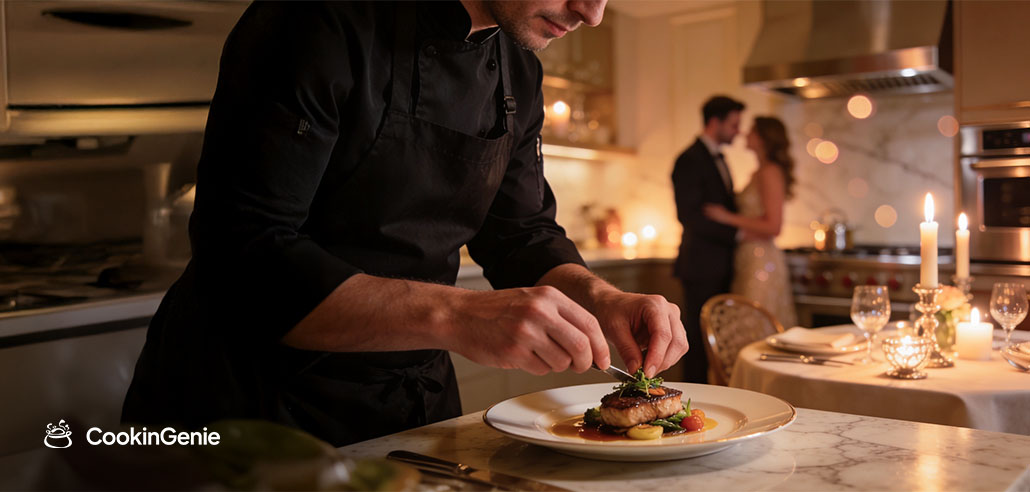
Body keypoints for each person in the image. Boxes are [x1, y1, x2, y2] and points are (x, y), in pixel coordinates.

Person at [121, 0, 687, 447]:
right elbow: (245, 254)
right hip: (251, 405)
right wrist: (456, 313)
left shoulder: (518, 71)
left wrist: (601, 297)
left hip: (409, 402)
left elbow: (523, 234)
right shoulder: (314, 19)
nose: (593, 13)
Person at [671, 95, 744, 384]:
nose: (738, 131)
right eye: (734, 125)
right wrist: (738, 233)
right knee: (698, 343)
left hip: (724, 265)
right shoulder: (688, 160)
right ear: (715, 122)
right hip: (701, 266)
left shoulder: (719, 158)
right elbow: (690, 216)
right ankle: (692, 402)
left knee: (717, 342)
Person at [703, 116, 798, 328]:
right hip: (748, 257)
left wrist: (727, 218)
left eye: (752, 131)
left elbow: (774, 226)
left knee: (753, 323)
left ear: (764, 139)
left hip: (761, 262)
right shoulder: (760, 172)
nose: (746, 134)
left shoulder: (770, 172)